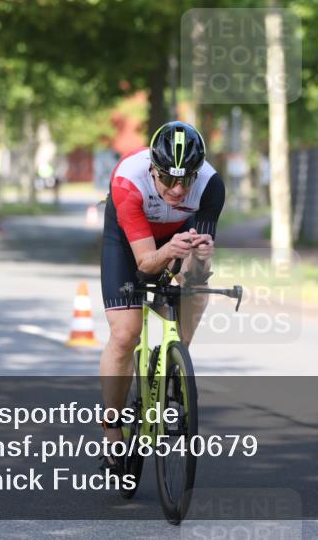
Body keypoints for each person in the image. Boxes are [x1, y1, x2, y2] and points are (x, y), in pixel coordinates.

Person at [98, 121, 224, 472]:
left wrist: (196, 261)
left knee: (195, 289)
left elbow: (195, 271)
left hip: (177, 238)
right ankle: (112, 431)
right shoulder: (128, 181)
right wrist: (167, 251)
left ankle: (171, 361)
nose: (178, 190)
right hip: (129, 243)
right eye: (168, 179)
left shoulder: (211, 186)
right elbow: (144, 265)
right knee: (126, 333)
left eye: (187, 180)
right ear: (153, 168)